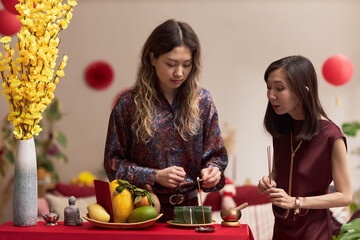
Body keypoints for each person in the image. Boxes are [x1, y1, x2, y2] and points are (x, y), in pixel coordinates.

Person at [104, 19, 228, 222]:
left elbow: (217, 157)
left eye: (186, 65)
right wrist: (154, 176)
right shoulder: (128, 104)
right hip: (141, 212)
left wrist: (212, 172)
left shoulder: (202, 101)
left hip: (190, 213)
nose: (179, 72)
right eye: (171, 64)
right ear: (152, 58)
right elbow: (113, 164)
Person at [257, 55, 352, 239]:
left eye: (279, 88)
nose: (271, 95)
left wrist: (296, 202)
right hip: (282, 229)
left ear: (303, 91)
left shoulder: (331, 136)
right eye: (269, 87)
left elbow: (345, 196)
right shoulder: (282, 129)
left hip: (314, 233)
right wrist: (269, 181)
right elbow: (278, 171)